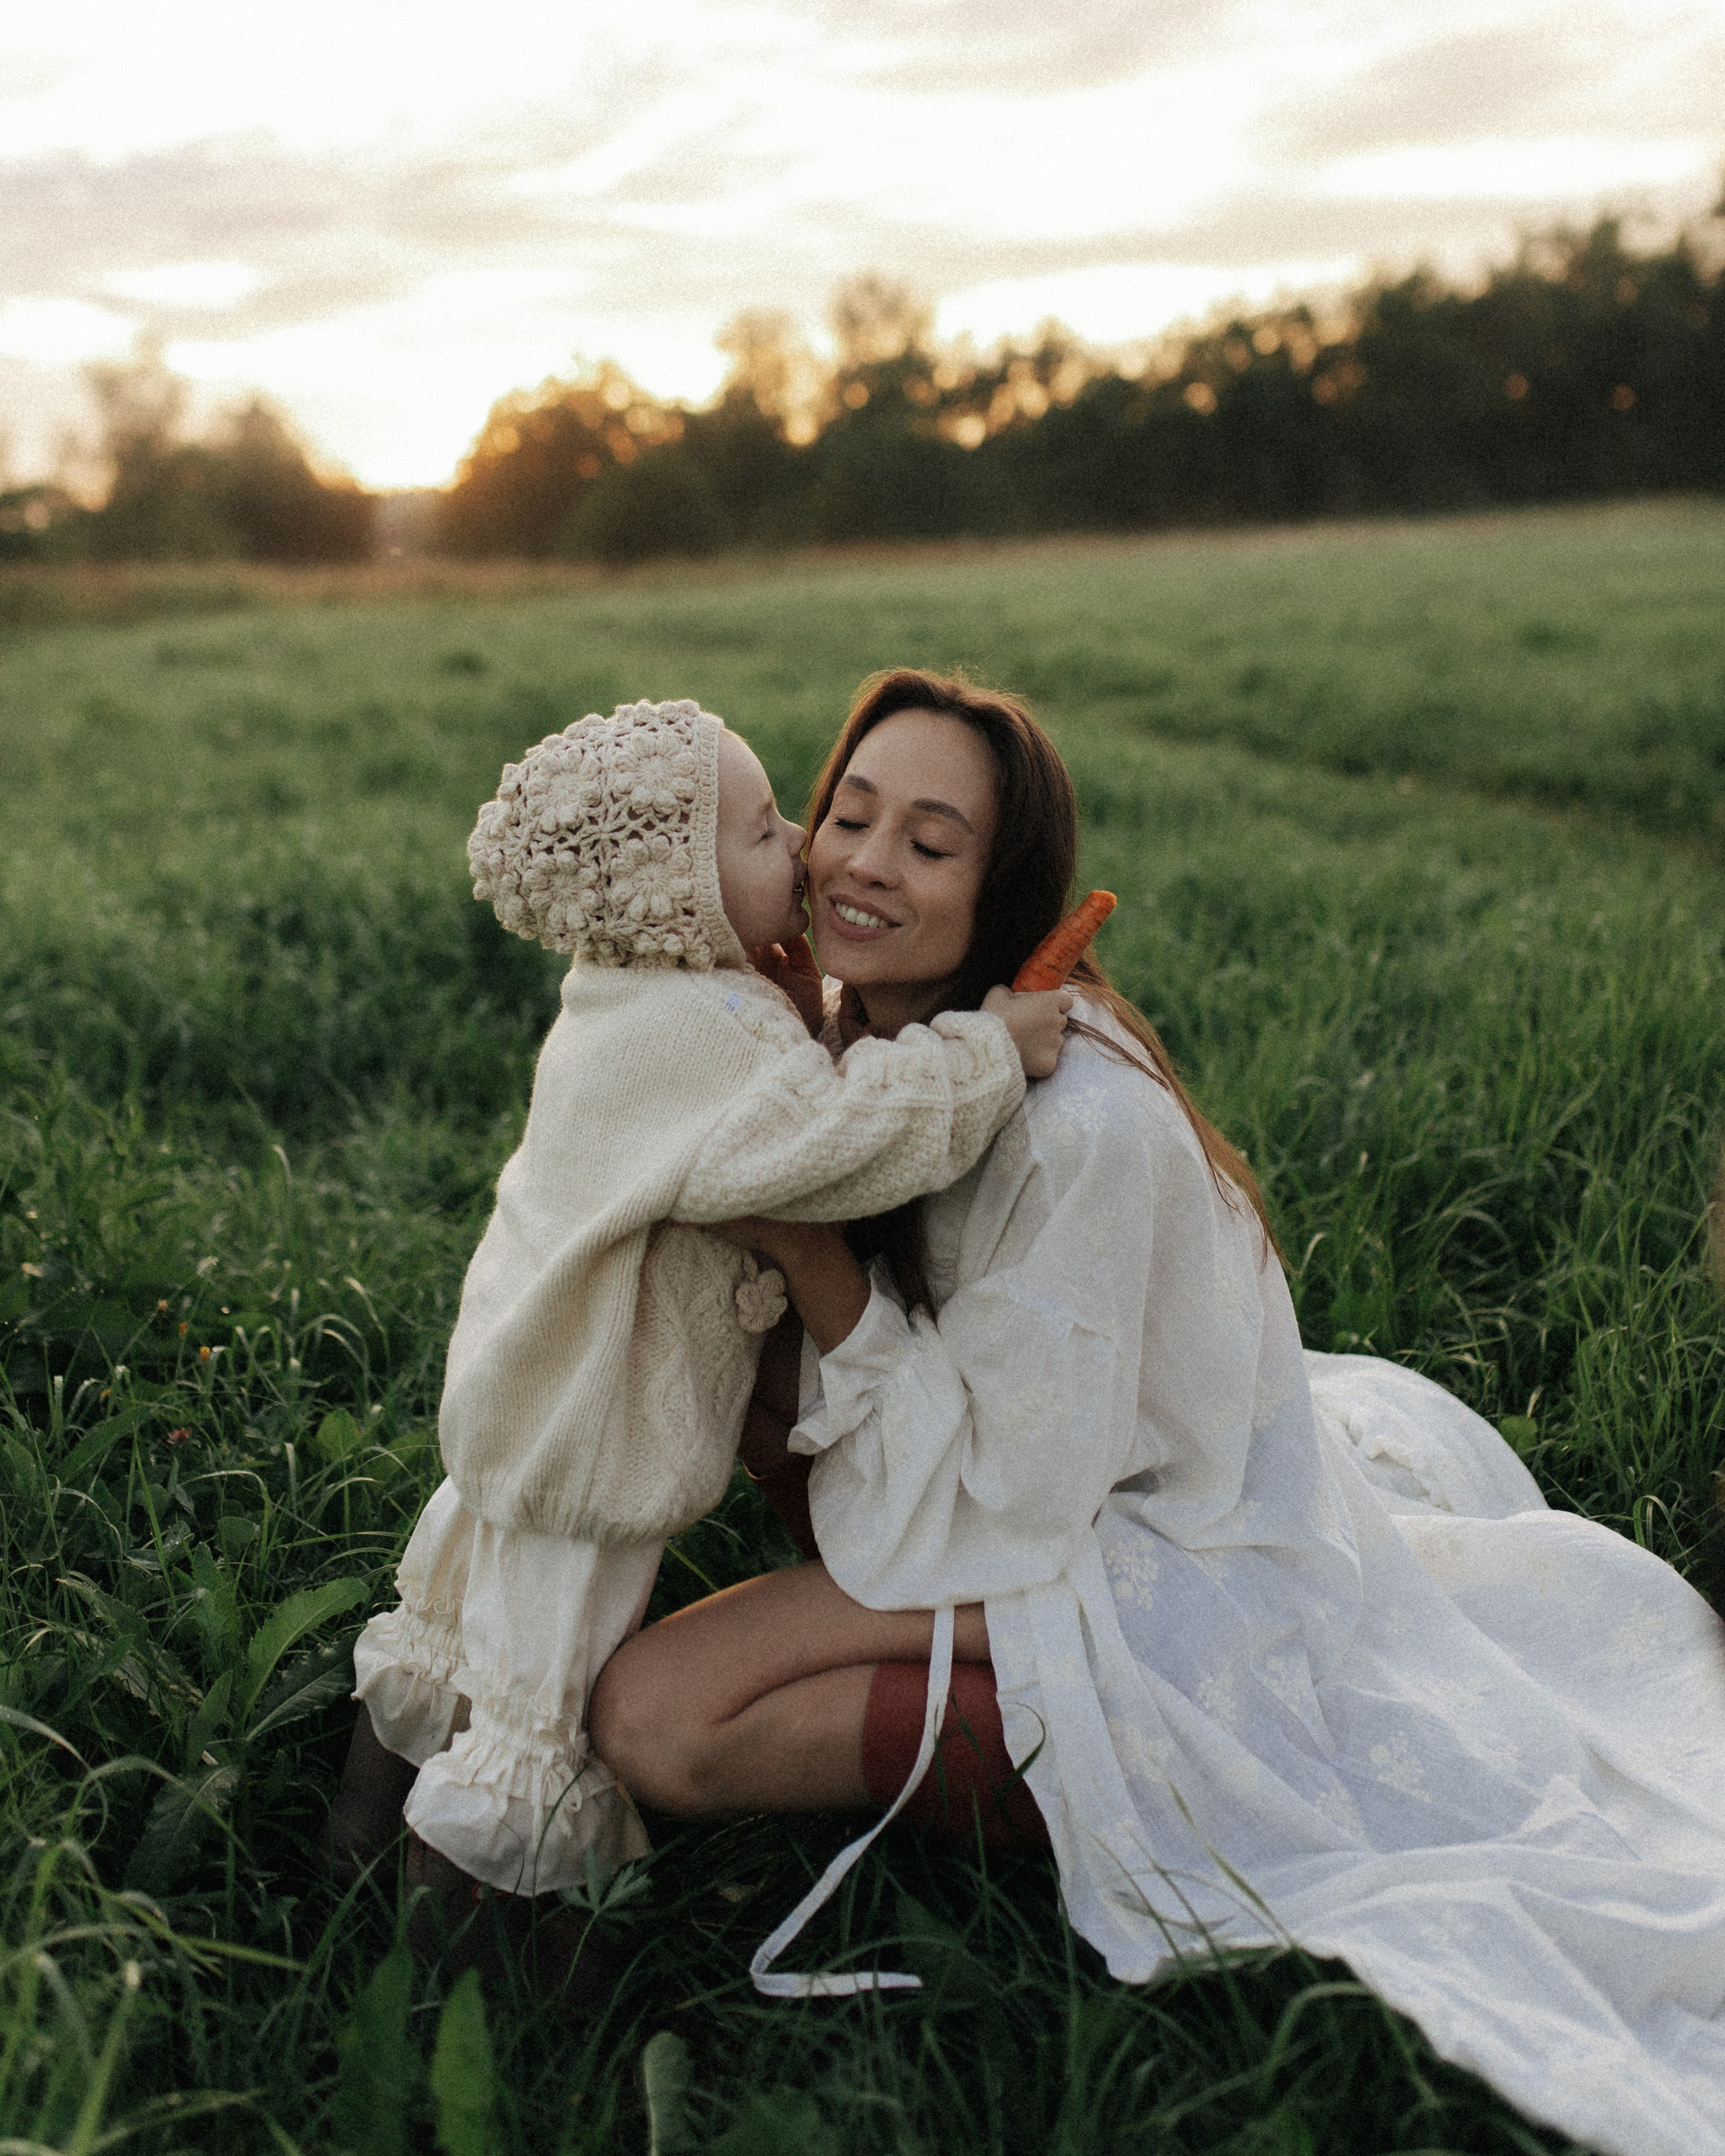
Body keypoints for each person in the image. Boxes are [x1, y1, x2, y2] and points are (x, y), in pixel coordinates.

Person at [591, 670, 1725, 2156]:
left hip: (1119, 1541)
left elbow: (1015, 1503)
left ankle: (1107, 1760)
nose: (863, 863)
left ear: (1001, 891)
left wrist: (808, 1256)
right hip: (1003, 1487)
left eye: (929, 844)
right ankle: (1021, 1723)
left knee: (661, 1720)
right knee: (708, 1541)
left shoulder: (1081, 1127)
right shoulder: (869, 1037)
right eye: (847, 816)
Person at [326, 697, 1071, 1932]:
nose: (802, 844)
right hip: (591, 1447)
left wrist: (797, 1010)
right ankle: (492, 1974)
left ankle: (345, 1871)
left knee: (452, 1641)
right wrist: (986, 1054)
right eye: (763, 828)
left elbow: (760, 1102)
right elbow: (838, 1143)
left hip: (530, 1411)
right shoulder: (699, 1034)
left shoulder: (634, 998)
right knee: (534, 1711)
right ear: (680, 892)